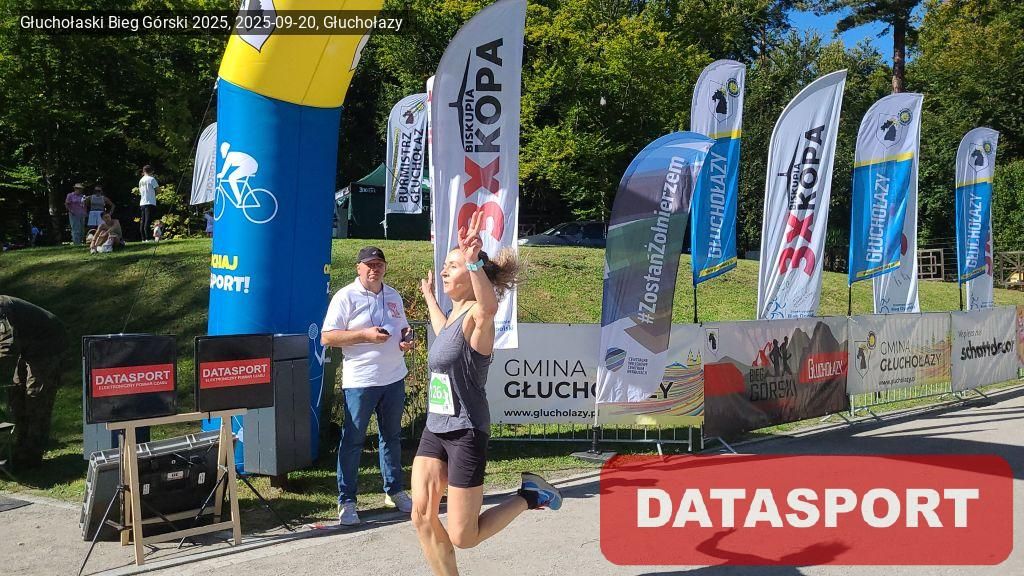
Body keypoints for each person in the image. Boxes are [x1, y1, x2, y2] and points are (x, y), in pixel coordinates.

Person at [412, 210, 562, 575]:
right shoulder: (454, 317)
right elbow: (441, 329)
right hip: (436, 427)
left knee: (464, 536)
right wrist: (429, 297)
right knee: (421, 515)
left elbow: (489, 306)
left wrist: (473, 260)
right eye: (445, 266)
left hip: (466, 430)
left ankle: (530, 496)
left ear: (471, 275)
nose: (444, 271)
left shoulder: (479, 319)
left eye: (452, 266)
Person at [321, 246, 417, 525]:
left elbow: (404, 327)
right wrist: (364, 335)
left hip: (394, 377)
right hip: (361, 381)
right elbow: (327, 337)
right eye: (369, 264)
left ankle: (394, 490)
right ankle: (347, 500)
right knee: (353, 440)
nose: (375, 269)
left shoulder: (393, 295)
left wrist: (407, 339)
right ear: (358, 268)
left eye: (379, 264)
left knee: (391, 437)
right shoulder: (345, 296)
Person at [0, 295, 68, 469]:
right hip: (27, 345)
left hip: (48, 343)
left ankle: (31, 457)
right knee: (16, 394)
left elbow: (6, 348)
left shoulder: (2, 309)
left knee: (36, 398)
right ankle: (21, 449)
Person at [139, 165, 159, 241]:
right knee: (148, 220)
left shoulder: (141, 180)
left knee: (143, 221)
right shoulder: (151, 179)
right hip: (150, 202)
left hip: (142, 202)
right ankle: (148, 238)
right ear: (151, 171)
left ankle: (143, 238)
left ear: (144, 171)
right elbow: (158, 190)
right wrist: (155, 194)